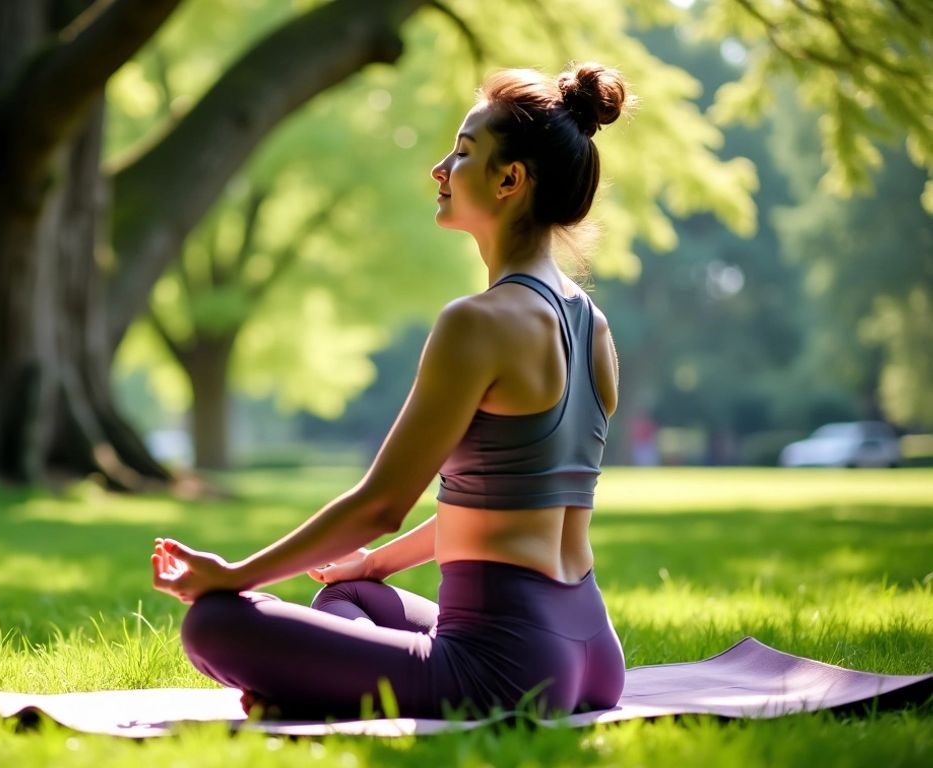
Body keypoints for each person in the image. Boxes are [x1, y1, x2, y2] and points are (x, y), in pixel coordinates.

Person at [151, 62, 631, 720]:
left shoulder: (478, 322)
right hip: (592, 656)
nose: (439, 168)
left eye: (462, 152)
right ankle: (326, 677)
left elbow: (380, 504)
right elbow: (516, 504)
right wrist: (373, 566)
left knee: (212, 626)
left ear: (509, 180)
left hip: (504, 669)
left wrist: (233, 576)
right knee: (351, 598)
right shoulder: (593, 327)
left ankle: (311, 684)